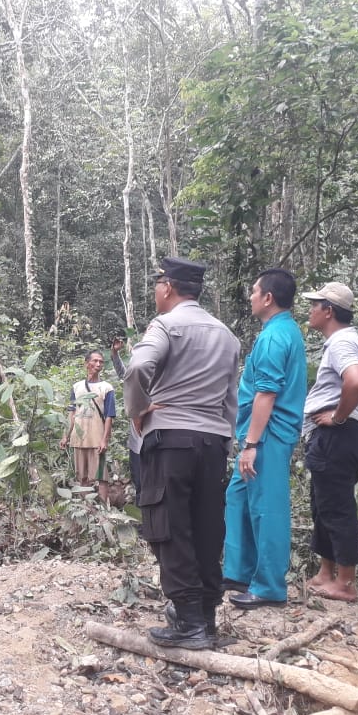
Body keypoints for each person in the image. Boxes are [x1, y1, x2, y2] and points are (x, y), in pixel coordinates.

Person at [123, 257, 240, 650]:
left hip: (171, 438)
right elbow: (230, 397)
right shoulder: (226, 335)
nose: (156, 291)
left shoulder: (166, 325)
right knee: (207, 527)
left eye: (157, 284)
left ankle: (189, 622)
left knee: (170, 528)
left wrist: (138, 412)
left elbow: (138, 366)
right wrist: (225, 437)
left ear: (168, 287)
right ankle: (206, 618)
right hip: (212, 442)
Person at [223, 269, 307, 610]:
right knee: (238, 497)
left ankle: (269, 586)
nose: (251, 296)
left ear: (268, 298)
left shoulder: (275, 337)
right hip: (257, 432)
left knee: (266, 508)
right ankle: (240, 571)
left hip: (268, 435)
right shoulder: (280, 331)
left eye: (254, 291)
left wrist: (252, 445)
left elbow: (267, 394)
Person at [300, 282, 358, 603]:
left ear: (328, 311)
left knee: (336, 507)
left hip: (337, 437)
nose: (310, 310)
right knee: (323, 505)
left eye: (315, 305)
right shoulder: (345, 341)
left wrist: (338, 417)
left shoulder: (342, 343)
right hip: (335, 439)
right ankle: (325, 573)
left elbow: (356, 380)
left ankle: (345, 583)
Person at [59, 349, 116, 503]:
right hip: (79, 439)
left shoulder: (106, 388)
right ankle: (86, 509)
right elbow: (72, 413)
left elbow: (110, 415)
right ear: (86, 364)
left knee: (101, 477)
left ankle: (104, 510)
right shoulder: (76, 387)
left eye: (101, 362)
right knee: (82, 477)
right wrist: (66, 436)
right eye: (95, 361)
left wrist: (105, 440)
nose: (98, 364)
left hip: (97, 439)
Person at [109, 335, 142, 497]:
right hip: (137, 444)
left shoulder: (161, 382)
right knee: (139, 480)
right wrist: (115, 354)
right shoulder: (136, 378)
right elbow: (123, 373)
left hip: (156, 443)